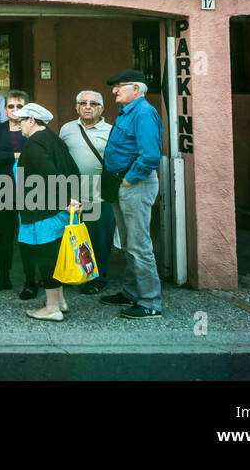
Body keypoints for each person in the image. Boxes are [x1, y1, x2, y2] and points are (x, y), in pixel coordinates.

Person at [100, 69, 165, 319]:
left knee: (139, 245)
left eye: (120, 86)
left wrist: (129, 178)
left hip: (134, 184)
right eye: (114, 86)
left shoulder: (144, 113)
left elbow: (149, 155)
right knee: (128, 244)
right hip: (123, 184)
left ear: (136, 89)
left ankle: (150, 302)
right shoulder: (129, 112)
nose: (114, 90)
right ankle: (130, 292)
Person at [12, 103, 83, 322]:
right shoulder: (55, 140)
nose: (18, 125)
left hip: (42, 213)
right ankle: (60, 300)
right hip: (57, 213)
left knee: (46, 259)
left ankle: (52, 308)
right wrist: (72, 200)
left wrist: (64, 201)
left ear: (32, 121)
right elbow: (74, 171)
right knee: (55, 256)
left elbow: (50, 175)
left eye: (21, 121)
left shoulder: (33, 145)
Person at [58, 90, 113, 295]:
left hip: (98, 195)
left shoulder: (111, 131)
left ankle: (98, 279)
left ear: (101, 108)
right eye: (83, 103)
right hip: (71, 196)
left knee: (98, 239)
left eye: (93, 103)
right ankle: (69, 274)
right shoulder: (67, 129)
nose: (88, 106)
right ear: (76, 107)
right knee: (71, 237)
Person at [0, 90, 36, 296]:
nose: (14, 110)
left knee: (29, 237)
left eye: (19, 106)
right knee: (3, 237)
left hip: (30, 191)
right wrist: (15, 155)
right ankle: (4, 277)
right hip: (2, 191)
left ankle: (31, 281)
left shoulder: (34, 129)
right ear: (5, 110)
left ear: (27, 108)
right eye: (11, 106)